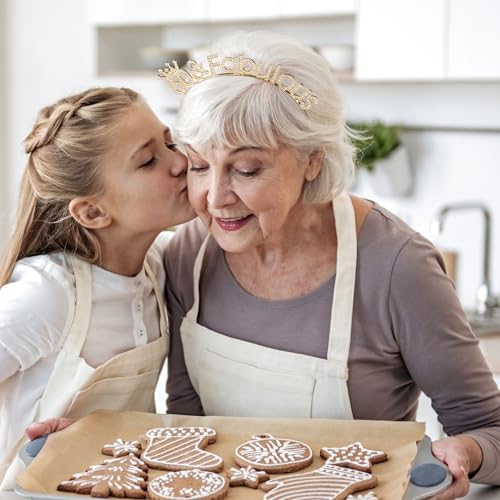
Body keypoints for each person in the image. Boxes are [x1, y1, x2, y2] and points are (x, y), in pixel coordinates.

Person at [162, 31, 500, 499]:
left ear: (312, 161)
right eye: (199, 166)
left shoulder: (398, 267)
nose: (216, 198)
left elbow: (489, 428)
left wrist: (466, 452)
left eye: (246, 169)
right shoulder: (188, 256)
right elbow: (185, 419)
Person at [0, 86, 194, 489]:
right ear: (92, 211)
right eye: (148, 161)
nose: (180, 163)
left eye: (170, 141)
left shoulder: (163, 263)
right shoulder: (47, 294)